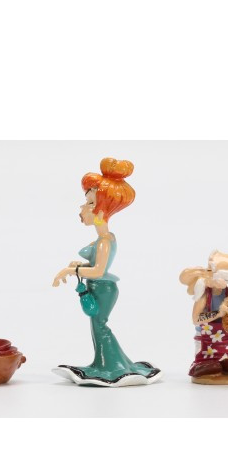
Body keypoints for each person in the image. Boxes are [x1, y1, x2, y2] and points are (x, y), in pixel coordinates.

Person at [51, 158, 160, 387]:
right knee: (98, 325)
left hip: (103, 289)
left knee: (100, 325)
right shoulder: (103, 239)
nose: (82, 208)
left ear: (101, 210)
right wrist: (78, 266)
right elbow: (96, 266)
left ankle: (112, 367)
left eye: (90, 202)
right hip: (100, 288)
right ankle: (109, 364)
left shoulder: (104, 242)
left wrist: (71, 270)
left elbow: (99, 270)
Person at [179, 251, 228, 380]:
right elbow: (196, 319)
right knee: (210, 365)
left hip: (226, 338)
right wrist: (218, 313)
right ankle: (203, 365)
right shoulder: (204, 295)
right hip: (206, 339)